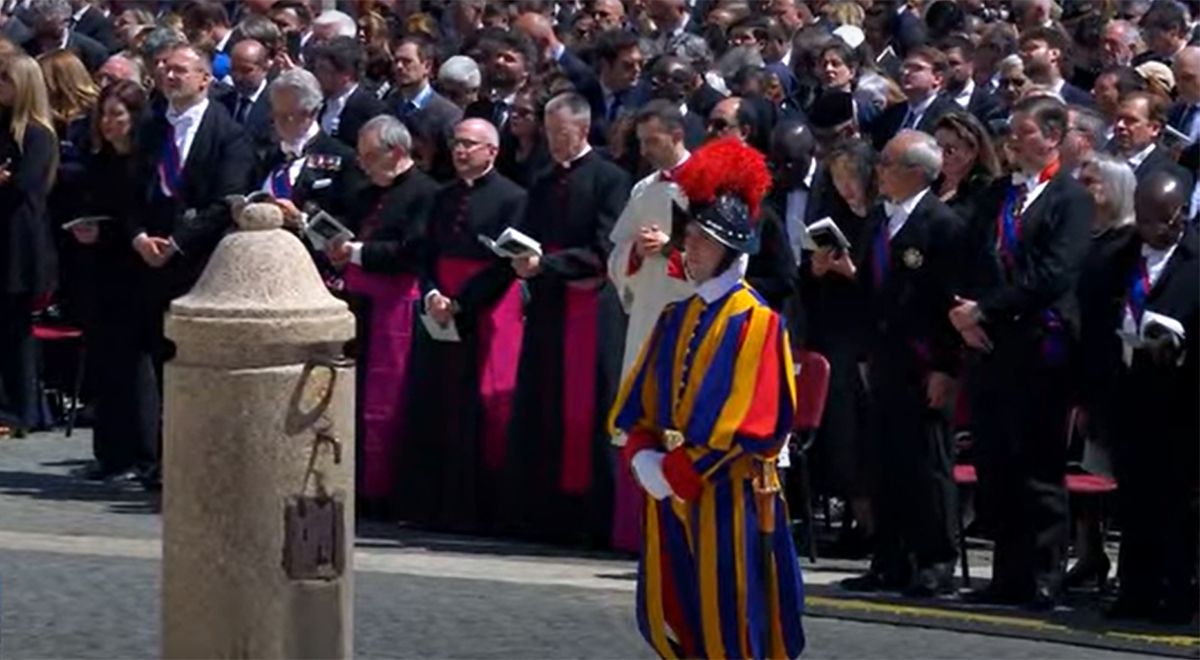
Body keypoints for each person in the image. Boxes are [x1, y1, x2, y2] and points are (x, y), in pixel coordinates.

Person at [609, 136, 805, 659]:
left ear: (731, 249)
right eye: (688, 237)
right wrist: (643, 453)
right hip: (673, 483)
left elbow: (754, 423)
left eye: (701, 240)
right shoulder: (678, 315)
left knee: (734, 616)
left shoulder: (757, 323)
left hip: (727, 496)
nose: (688, 249)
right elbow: (640, 402)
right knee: (679, 611)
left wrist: (674, 471)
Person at [950, 95, 1094, 610]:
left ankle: (1043, 573)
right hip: (990, 348)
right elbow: (968, 255)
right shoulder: (996, 195)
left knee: (1038, 466)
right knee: (996, 463)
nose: (1013, 141)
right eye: (1010, 132)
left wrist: (986, 309)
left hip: (1040, 348)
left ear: (1053, 137)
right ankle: (1006, 573)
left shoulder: (1069, 198)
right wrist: (963, 313)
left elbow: (1054, 272)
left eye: (1024, 132)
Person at [833, 130, 966, 597]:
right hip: (885, 360)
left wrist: (946, 368)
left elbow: (948, 301)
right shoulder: (879, 222)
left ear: (914, 171)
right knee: (884, 462)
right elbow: (872, 292)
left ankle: (934, 560)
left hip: (924, 364)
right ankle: (889, 557)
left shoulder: (941, 224)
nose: (879, 172)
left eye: (887, 163)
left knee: (927, 465)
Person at [504, 92, 631, 546]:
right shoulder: (542, 180)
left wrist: (548, 265)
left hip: (589, 308)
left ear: (582, 129)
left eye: (562, 134)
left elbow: (605, 248)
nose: (555, 144)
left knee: (588, 409)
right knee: (546, 406)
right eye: (550, 134)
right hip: (549, 308)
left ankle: (590, 516)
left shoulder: (609, 180)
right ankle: (545, 513)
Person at [126, 44, 254, 487]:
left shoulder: (228, 133)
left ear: (205, 79)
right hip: (149, 260)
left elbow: (226, 199)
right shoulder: (150, 127)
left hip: (197, 263)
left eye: (180, 69)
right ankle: (158, 456)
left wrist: (178, 244)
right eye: (164, 68)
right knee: (154, 362)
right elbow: (132, 191)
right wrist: (140, 237)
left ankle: (199, 456)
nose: (169, 74)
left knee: (195, 363)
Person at [399, 118, 527, 533]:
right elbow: (427, 251)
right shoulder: (442, 197)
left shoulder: (513, 198)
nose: (460, 151)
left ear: (491, 151)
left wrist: (462, 302)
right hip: (440, 309)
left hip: (482, 311)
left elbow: (504, 264)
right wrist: (433, 292)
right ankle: (429, 504)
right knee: (435, 403)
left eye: (470, 145)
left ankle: (472, 509)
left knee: (474, 410)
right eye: (456, 143)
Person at [325, 115, 436, 514]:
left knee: (389, 402)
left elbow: (411, 250)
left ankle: (385, 490)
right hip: (358, 302)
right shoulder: (366, 191)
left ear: (398, 153)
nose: (364, 165)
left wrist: (354, 251)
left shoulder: (426, 193)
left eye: (371, 156)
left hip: (396, 306)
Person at [1107, 168, 1199, 625]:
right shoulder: (1118, 256)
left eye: (1160, 221)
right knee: (1135, 499)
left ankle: (1177, 592)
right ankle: (1135, 590)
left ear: (1180, 216)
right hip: (1129, 391)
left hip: (1180, 399)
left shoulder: (1195, 260)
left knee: (1177, 504)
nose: (1151, 231)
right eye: (1143, 221)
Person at [606, 100, 695, 552]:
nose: (644, 149)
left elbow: (723, 264)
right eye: (640, 141)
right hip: (647, 315)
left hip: (687, 315)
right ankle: (638, 528)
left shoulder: (706, 185)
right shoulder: (643, 189)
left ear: (676, 135)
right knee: (644, 416)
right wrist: (637, 256)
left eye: (652, 140)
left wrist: (671, 251)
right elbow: (616, 254)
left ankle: (682, 525)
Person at [66, 80, 157, 483]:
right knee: (107, 363)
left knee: (135, 367)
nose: (108, 123)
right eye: (104, 115)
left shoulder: (146, 162)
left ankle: (141, 453)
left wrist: (110, 232)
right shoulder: (99, 160)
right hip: (101, 271)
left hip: (136, 270)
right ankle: (110, 453)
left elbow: (140, 215)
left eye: (117, 115)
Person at [796, 138, 876, 554]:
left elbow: (885, 284)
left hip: (865, 337)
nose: (846, 187)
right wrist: (815, 268)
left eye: (851, 177)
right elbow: (804, 283)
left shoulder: (879, 219)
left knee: (862, 433)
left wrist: (851, 271)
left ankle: (869, 522)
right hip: (833, 331)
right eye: (838, 178)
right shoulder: (834, 218)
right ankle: (851, 518)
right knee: (840, 434)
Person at [1069, 154, 1139, 592]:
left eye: (1092, 183)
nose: (1085, 190)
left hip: (1113, 367)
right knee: (1081, 467)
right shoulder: (1085, 238)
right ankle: (1087, 551)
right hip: (1079, 362)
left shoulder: (1126, 242)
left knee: (1114, 471)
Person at [0, 54, 58, 438]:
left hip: (20, 242)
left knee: (17, 329)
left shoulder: (37, 133)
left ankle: (23, 409)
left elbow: (25, 185)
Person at [870, 46, 958, 150]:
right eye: (905, 67)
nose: (906, 72)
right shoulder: (892, 114)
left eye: (917, 68)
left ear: (937, 79)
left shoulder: (950, 116)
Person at [312, 36, 386, 148]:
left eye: (324, 69)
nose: (317, 75)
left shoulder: (369, 110)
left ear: (346, 74)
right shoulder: (318, 104)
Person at [932, 111, 1001, 224]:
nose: (940, 155)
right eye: (936, 148)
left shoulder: (986, 191)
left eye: (950, 150)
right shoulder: (928, 182)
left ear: (973, 151)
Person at [1112, 91, 1192, 185]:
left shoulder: (1170, 175)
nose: (1120, 125)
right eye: (1118, 119)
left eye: (1131, 120)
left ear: (1154, 128)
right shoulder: (1100, 158)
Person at [20, 0, 108, 73]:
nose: (38, 27)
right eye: (37, 22)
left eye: (48, 24)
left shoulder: (92, 52)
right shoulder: (24, 48)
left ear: (65, 22)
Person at [1018, 26, 1094, 107]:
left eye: (1032, 48)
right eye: (1023, 50)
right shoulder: (1018, 101)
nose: (1024, 54)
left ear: (1054, 54)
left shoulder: (1082, 102)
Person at [222, 39, 273, 155]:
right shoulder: (221, 102)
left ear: (265, 69)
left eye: (246, 71)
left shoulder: (276, 105)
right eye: (234, 70)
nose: (238, 77)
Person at [494, 83, 550, 190]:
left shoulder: (550, 157)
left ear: (540, 118)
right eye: (513, 109)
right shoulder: (503, 147)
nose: (514, 115)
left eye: (524, 113)